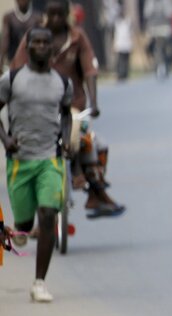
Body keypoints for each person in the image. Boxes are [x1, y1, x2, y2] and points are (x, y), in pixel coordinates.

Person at [12, 0, 125, 219]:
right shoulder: (34, 37)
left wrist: (94, 102)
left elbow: (90, 70)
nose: (55, 20)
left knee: (92, 143)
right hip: (38, 109)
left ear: (68, 15)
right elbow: (17, 71)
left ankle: (94, 190)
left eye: (60, 15)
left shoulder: (77, 38)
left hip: (73, 107)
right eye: (51, 15)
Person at [1, 27, 73, 303]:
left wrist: (66, 139)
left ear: (51, 48)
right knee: (24, 221)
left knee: (47, 215)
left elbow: (66, 114)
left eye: (46, 42)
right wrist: (6, 139)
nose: (42, 46)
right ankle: (19, 228)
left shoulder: (62, 83)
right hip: (20, 162)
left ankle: (39, 282)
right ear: (28, 47)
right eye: (36, 42)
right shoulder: (12, 79)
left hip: (49, 159)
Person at [0, 0, 40, 70]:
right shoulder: (9, 17)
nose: (22, 1)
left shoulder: (37, 18)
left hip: (31, 63)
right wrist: (1, 58)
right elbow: (5, 40)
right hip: (12, 61)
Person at [143, 0, 172, 71]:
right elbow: (147, 14)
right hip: (155, 29)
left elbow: (171, 14)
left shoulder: (166, 2)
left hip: (164, 29)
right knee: (150, 47)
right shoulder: (150, 2)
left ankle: (168, 62)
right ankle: (155, 62)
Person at [113, 5, 132, 81]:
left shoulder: (128, 21)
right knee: (120, 61)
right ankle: (120, 74)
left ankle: (125, 74)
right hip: (120, 44)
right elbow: (115, 34)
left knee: (126, 60)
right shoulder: (117, 23)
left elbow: (131, 32)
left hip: (127, 44)